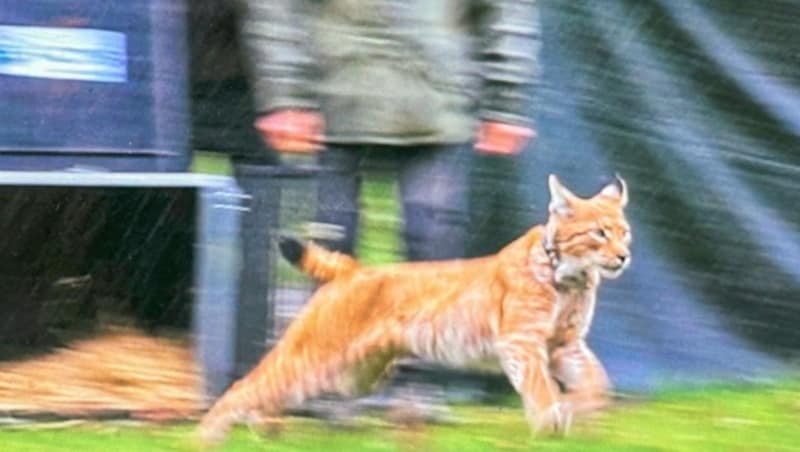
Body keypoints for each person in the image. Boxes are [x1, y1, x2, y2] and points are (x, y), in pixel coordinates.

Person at [236, 0, 541, 261]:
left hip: (432, 110)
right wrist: (287, 96)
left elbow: (507, 9)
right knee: (330, 257)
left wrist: (506, 100)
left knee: (433, 262)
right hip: (332, 107)